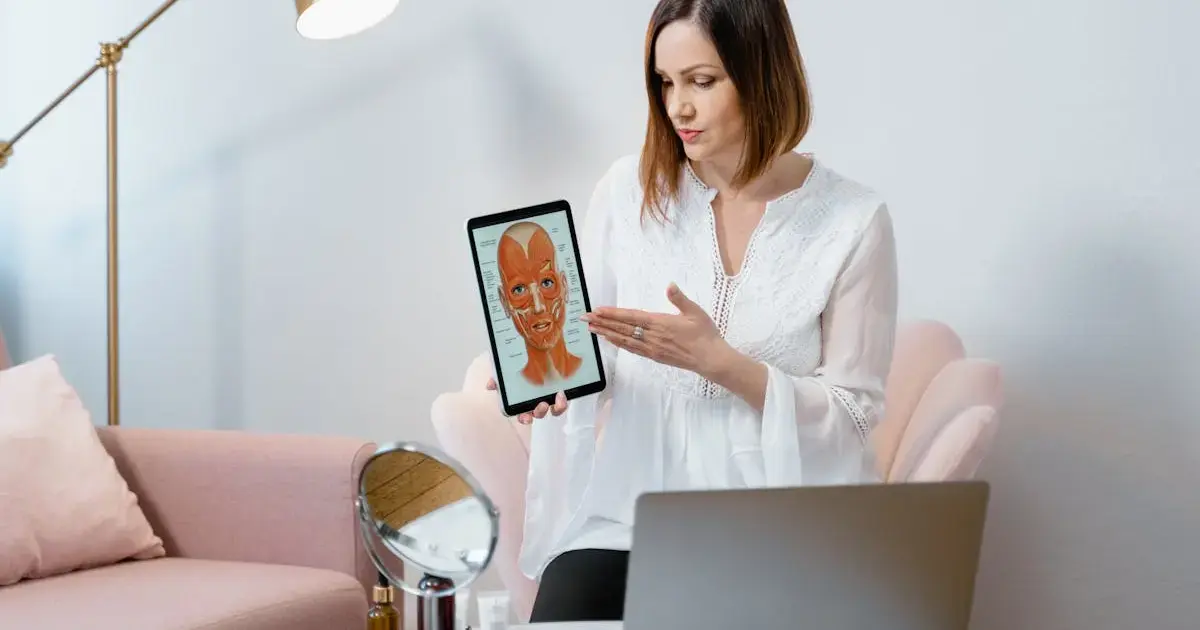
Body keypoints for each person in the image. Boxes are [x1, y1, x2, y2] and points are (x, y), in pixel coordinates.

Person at [487, 0, 898, 622]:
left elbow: (853, 417)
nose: (678, 106)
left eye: (702, 82)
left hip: (774, 532)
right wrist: (555, 381)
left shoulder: (852, 221)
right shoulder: (629, 193)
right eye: (665, 82)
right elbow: (591, 338)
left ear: (763, 72)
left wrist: (724, 364)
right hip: (627, 522)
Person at [496, 220, 583, 385]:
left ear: (564, 285)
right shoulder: (514, 388)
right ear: (504, 301)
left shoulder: (594, 371)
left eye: (547, 283)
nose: (538, 306)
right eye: (519, 289)